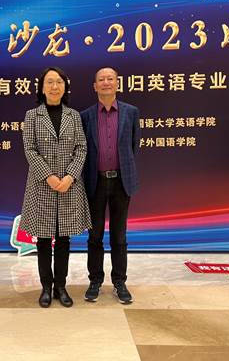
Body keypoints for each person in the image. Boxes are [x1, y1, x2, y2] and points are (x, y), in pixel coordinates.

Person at [20, 66, 91, 308]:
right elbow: (30, 149)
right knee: (42, 240)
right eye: (49, 82)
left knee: (63, 239)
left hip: (68, 186)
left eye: (59, 82)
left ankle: (61, 286)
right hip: (42, 186)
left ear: (65, 86)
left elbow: (81, 148)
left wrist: (70, 176)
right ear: (42, 87)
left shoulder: (74, 116)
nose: (54, 86)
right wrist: (49, 176)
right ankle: (46, 288)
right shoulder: (32, 115)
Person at [80, 67, 140, 304]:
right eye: (101, 79)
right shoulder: (85, 116)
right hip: (94, 182)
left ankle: (119, 282)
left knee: (119, 235)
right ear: (95, 86)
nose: (106, 82)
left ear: (117, 83)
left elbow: (133, 146)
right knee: (94, 235)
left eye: (110, 79)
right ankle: (95, 281)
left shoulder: (131, 112)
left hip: (121, 182)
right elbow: (83, 150)